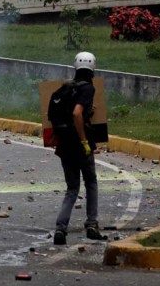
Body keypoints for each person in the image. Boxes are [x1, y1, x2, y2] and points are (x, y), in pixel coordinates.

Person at [53, 52, 107, 246]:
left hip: (64, 146)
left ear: (75, 67)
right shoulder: (87, 89)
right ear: (93, 69)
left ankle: (60, 228)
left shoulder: (65, 89)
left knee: (72, 188)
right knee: (91, 182)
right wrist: (84, 141)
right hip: (79, 145)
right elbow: (77, 113)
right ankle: (91, 225)